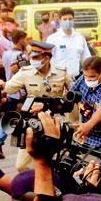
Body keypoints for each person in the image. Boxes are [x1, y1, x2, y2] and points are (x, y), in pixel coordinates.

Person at [4, 41, 72, 171]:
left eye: (36, 57)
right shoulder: (25, 72)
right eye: (31, 57)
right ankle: (39, 181)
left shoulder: (61, 73)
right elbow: (7, 88)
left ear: (46, 58)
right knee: (21, 166)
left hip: (55, 124)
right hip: (33, 124)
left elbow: (70, 98)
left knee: (59, 162)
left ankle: (50, 185)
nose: (32, 60)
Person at [0, 29, 28, 159]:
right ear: (20, 40)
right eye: (24, 39)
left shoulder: (6, 54)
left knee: (8, 118)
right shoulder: (21, 56)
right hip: (21, 92)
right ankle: (23, 149)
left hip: (10, 90)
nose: (26, 41)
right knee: (24, 120)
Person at [46, 7, 91, 80]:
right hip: (58, 79)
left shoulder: (80, 38)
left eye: (70, 19)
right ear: (60, 20)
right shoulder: (52, 39)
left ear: (73, 20)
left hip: (76, 78)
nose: (68, 21)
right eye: (65, 19)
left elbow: (86, 59)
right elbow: (48, 60)